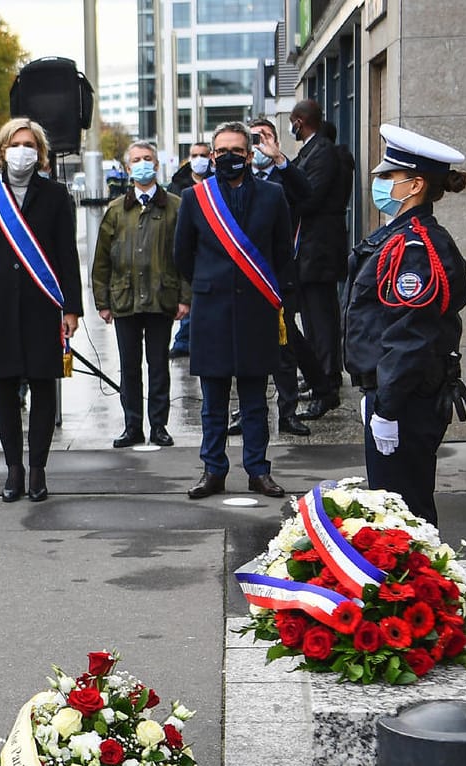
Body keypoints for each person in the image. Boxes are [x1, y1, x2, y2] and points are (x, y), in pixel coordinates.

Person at [344, 124, 466, 526]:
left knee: (405, 518)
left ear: (415, 185)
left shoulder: (412, 246)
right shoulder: (397, 236)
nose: (379, 183)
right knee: (395, 513)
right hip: (393, 393)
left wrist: (387, 407)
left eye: (388, 177)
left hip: (406, 400)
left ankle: (422, 590)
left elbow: (410, 334)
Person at [0, 118, 82, 503]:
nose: (22, 150)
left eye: (29, 144)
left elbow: (67, 254)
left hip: (42, 305)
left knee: (45, 387)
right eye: (15, 144)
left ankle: (38, 469)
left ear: (40, 152)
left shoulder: (55, 195)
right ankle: (13, 468)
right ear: (2, 151)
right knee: (5, 388)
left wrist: (72, 308)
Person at [174, 121, 293, 501]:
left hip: (257, 309)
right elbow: (181, 255)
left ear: (250, 154)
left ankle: (258, 471)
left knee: (256, 401)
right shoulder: (196, 198)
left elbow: (282, 254)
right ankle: (213, 470)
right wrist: (210, 284)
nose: (229, 158)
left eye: (237, 152)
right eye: (221, 152)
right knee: (213, 402)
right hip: (212, 311)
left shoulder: (273, 195)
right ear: (212, 155)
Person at [91, 139, 188, 449]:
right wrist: (102, 301)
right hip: (125, 300)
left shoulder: (175, 206)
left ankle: (159, 425)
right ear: (128, 167)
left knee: (159, 365)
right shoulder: (117, 210)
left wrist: (185, 298)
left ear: (157, 165)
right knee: (129, 366)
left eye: (148, 158)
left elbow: (186, 256)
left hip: (162, 298)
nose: (143, 163)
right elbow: (102, 258)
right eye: (137, 159)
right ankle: (133, 425)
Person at [233, 117, 313, 438]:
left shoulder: (283, 178)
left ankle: (288, 412)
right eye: (254, 139)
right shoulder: (237, 177)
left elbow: (306, 192)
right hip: (244, 280)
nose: (260, 144)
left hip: (279, 278)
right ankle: (247, 411)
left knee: (284, 351)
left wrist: (280, 159)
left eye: (265, 137)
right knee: (245, 351)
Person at [289, 99, 352, 421]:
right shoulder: (314, 150)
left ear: (300, 121)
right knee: (312, 320)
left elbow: (308, 196)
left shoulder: (323, 151)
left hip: (320, 249)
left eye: (292, 122)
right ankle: (318, 376)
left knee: (322, 320)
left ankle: (327, 381)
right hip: (310, 249)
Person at [169, 142, 214, 357]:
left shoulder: (218, 182)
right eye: (194, 155)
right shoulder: (179, 184)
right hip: (188, 248)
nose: (199, 159)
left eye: (203, 155)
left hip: (210, 249)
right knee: (188, 297)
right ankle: (184, 341)